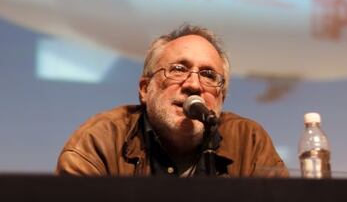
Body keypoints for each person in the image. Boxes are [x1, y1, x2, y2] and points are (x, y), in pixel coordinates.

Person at [56, 25, 288, 177]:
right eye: (178, 69)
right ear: (145, 89)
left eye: (208, 75)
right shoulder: (100, 141)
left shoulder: (250, 141)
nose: (194, 85)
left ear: (222, 97)